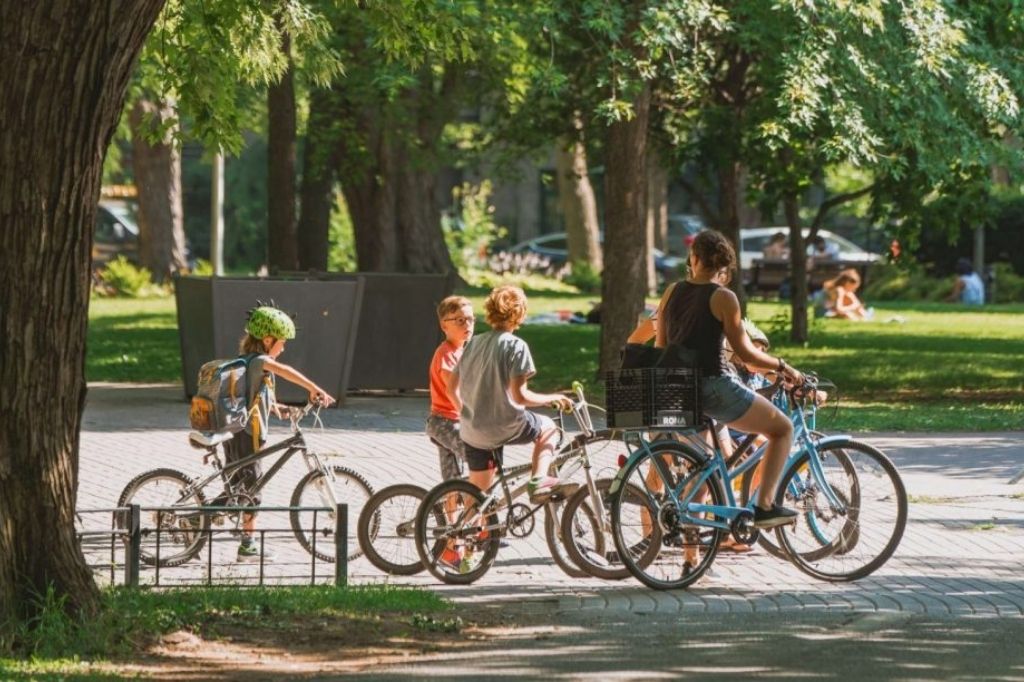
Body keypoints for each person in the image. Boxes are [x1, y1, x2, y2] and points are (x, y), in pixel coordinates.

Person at [655, 230, 804, 529]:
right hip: (715, 386)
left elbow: (660, 345)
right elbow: (746, 354)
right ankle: (764, 506)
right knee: (782, 428)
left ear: (693, 258)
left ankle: (694, 543)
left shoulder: (672, 291)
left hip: (677, 388)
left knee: (702, 466)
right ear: (723, 266)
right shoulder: (724, 297)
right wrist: (784, 367)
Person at [225, 304, 336, 561]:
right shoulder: (260, 361)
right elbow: (287, 372)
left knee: (239, 487)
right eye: (281, 343)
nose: (283, 348)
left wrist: (279, 409)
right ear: (267, 340)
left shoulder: (248, 363)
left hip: (236, 431)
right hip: (247, 435)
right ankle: (248, 546)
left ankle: (199, 518)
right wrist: (314, 388)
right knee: (253, 486)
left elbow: (256, 398)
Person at [449, 286, 572, 500]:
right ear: (520, 314)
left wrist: (468, 413)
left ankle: (460, 533)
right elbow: (520, 396)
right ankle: (539, 480)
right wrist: (553, 398)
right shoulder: (516, 346)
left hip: (472, 431)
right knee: (549, 427)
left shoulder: (473, 343)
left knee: (478, 497)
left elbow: (451, 387)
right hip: (504, 426)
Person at [425, 295, 474, 482]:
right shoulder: (446, 353)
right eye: (460, 320)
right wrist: (469, 417)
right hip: (445, 422)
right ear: (444, 325)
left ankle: (451, 511)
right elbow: (453, 390)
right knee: (479, 462)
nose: (467, 325)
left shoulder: (462, 351)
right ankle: (477, 507)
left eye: (470, 319)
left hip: (450, 421)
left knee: (453, 480)